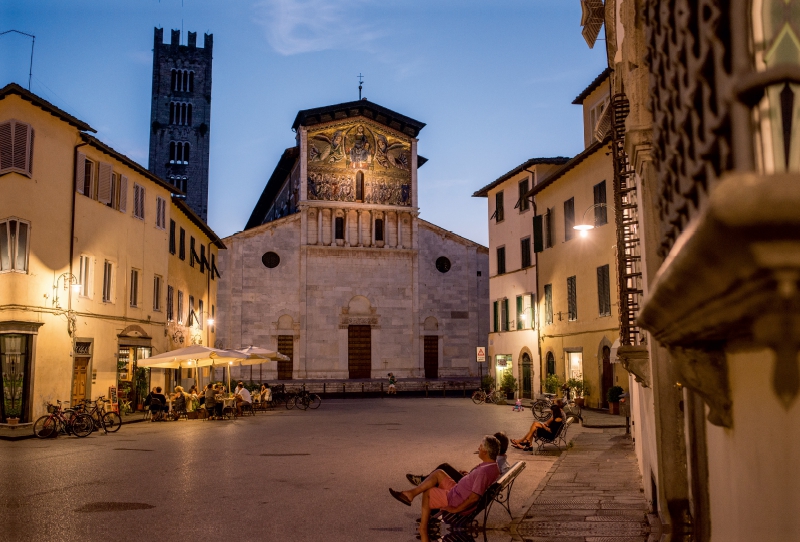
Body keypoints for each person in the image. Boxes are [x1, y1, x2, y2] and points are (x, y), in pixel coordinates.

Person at [390, 435, 501, 536]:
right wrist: (470, 476)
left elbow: (474, 497)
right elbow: (479, 483)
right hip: (458, 491)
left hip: (457, 499)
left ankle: (423, 528)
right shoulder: (493, 466)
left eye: (480, 447)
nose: (478, 449)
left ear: (486, 451)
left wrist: (456, 509)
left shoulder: (483, 472)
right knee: (439, 473)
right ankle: (411, 494)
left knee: (428, 493)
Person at [405, 432, 511, 486]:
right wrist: (469, 474)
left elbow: (482, 480)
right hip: (471, 482)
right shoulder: (503, 463)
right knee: (443, 471)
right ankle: (423, 482)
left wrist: (469, 476)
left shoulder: (495, 464)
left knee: (444, 468)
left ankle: (422, 481)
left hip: (469, 487)